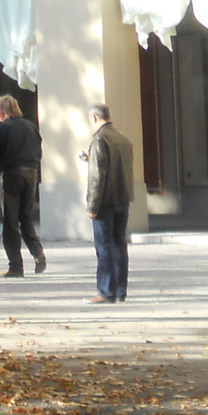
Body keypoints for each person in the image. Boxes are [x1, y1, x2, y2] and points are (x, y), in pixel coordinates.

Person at [84, 103, 136, 305]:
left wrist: (92, 206)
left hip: (105, 200)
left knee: (104, 246)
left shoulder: (99, 140)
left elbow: (98, 176)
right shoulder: (123, 139)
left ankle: (106, 291)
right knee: (119, 245)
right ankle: (120, 291)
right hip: (123, 198)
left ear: (95, 118)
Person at [0, 94, 45, 277]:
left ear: (3, 110)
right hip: (31, 173)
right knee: (26, 217)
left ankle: (16, 266)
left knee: (11, 222)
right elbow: (39, 149)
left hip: (12, 173)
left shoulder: (1, 130)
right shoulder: (31, 126)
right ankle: (38, 254)